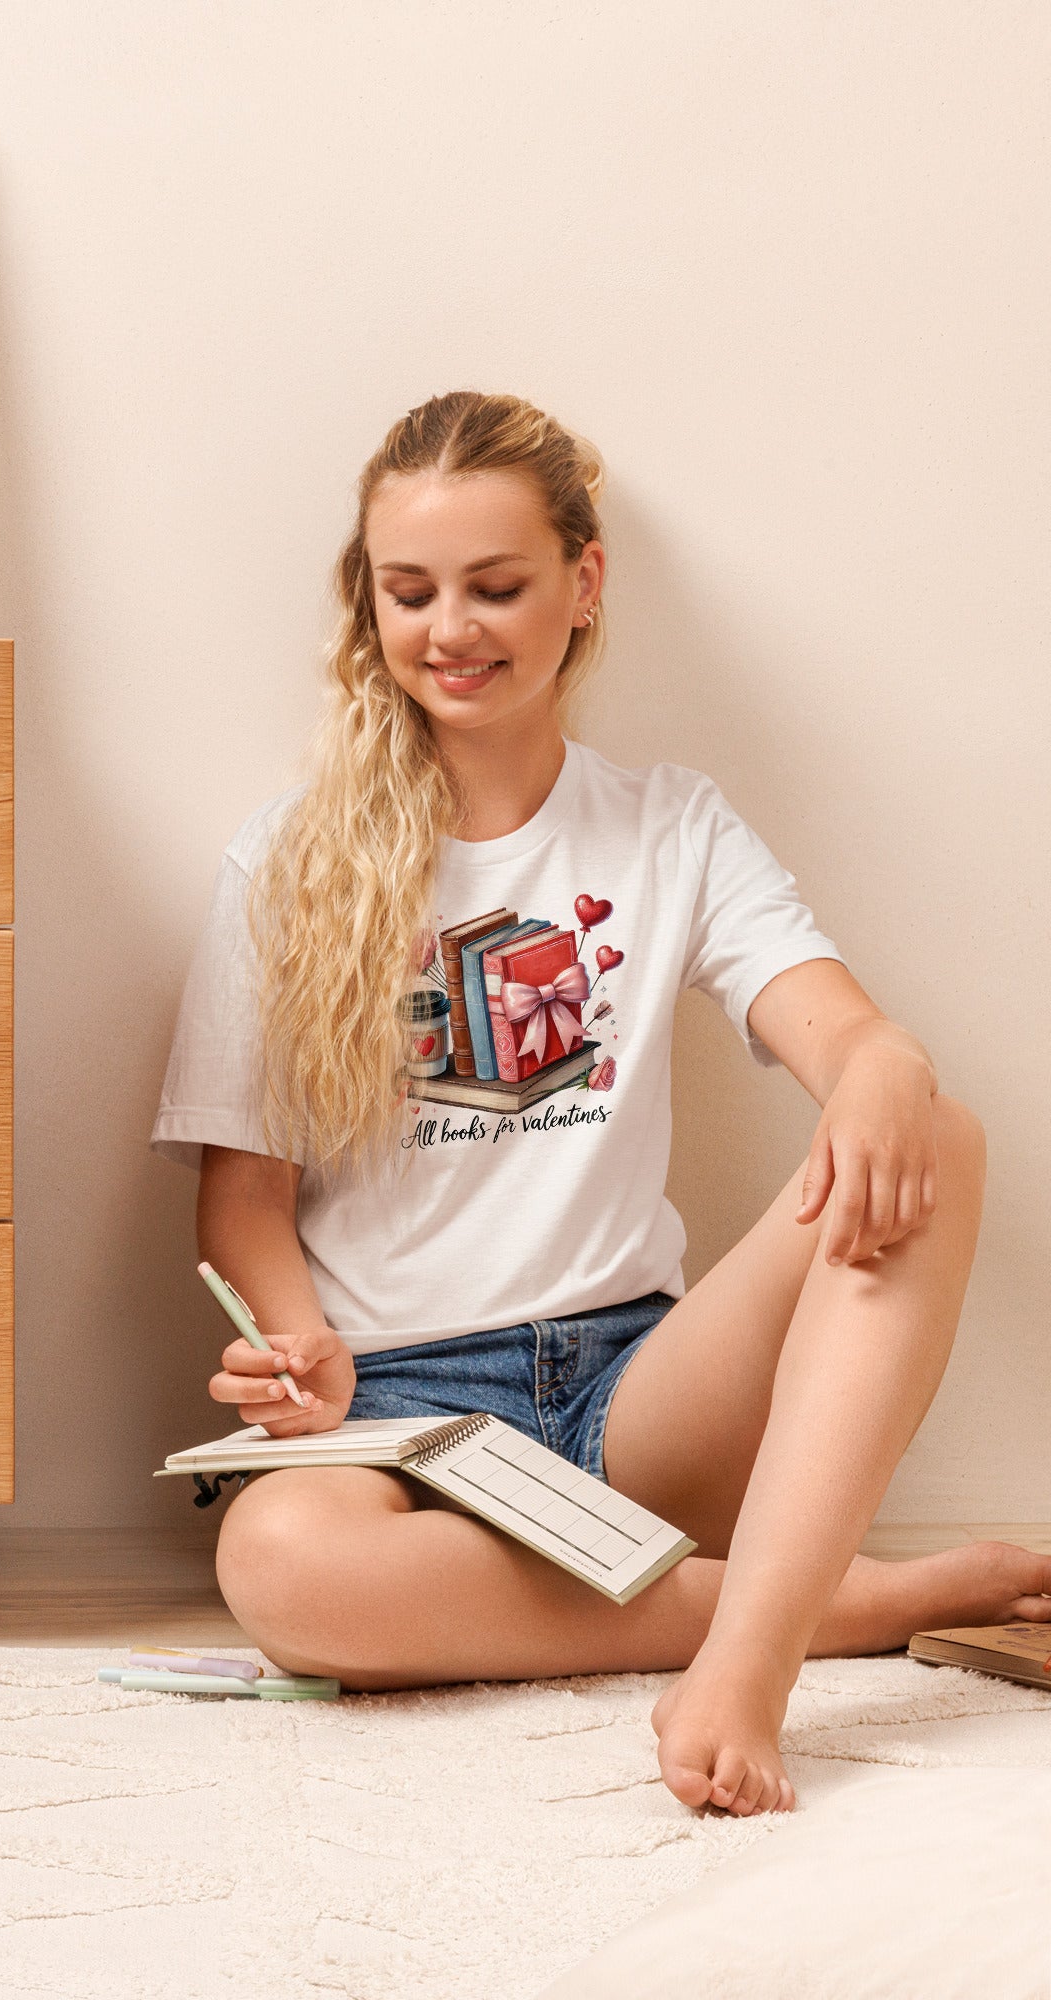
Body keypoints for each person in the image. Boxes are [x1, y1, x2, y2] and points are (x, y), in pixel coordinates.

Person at [150, 390, 1049, 1817]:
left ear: (584, 583)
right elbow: (243, 1193)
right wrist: (295, 1339)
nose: (453, 629)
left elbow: (835, 1024)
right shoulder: (286, 860)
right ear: (367, 604)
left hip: (639, 1402)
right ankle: (844, 1603)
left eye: (497, 586)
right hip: (403, 1421)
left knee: (933, 1133)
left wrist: (880, 1062)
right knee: (278, 1567)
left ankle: (746, 1662)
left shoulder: (667, 826)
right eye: (411, 590)